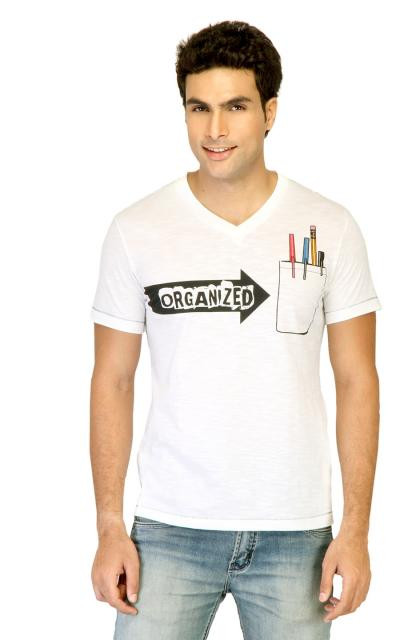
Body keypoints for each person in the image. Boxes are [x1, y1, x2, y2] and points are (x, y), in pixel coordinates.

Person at [90, 20, 382, 640]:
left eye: (236, 107)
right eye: (199, 108)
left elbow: (358, 380)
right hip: (168, 530)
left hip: (295, 535)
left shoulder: (328, 227)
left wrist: (355, 530)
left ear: (270, 112)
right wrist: (110, 527)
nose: (215, 130)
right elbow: (112, 380)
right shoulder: (136, 229)